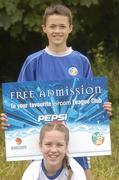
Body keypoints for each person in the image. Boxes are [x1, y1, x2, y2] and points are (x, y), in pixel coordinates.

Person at [0, 4, 112, 180]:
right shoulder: (33, 61)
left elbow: (91, 101)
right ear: (44, 28)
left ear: (70, 28)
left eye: (62, 26)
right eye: (52, 26)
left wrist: (102, 109)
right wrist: (10, 120)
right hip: (45, 141)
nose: (57, 31)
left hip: (76, 138)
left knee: (83, 176)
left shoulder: (81, 61)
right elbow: (19, 105)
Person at [21, 122, 87, 180]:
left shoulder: (76, 170)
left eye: (59, 145)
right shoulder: (32, 171)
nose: (53, 150)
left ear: (66, 147)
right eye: (48, 144)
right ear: (40, 146)